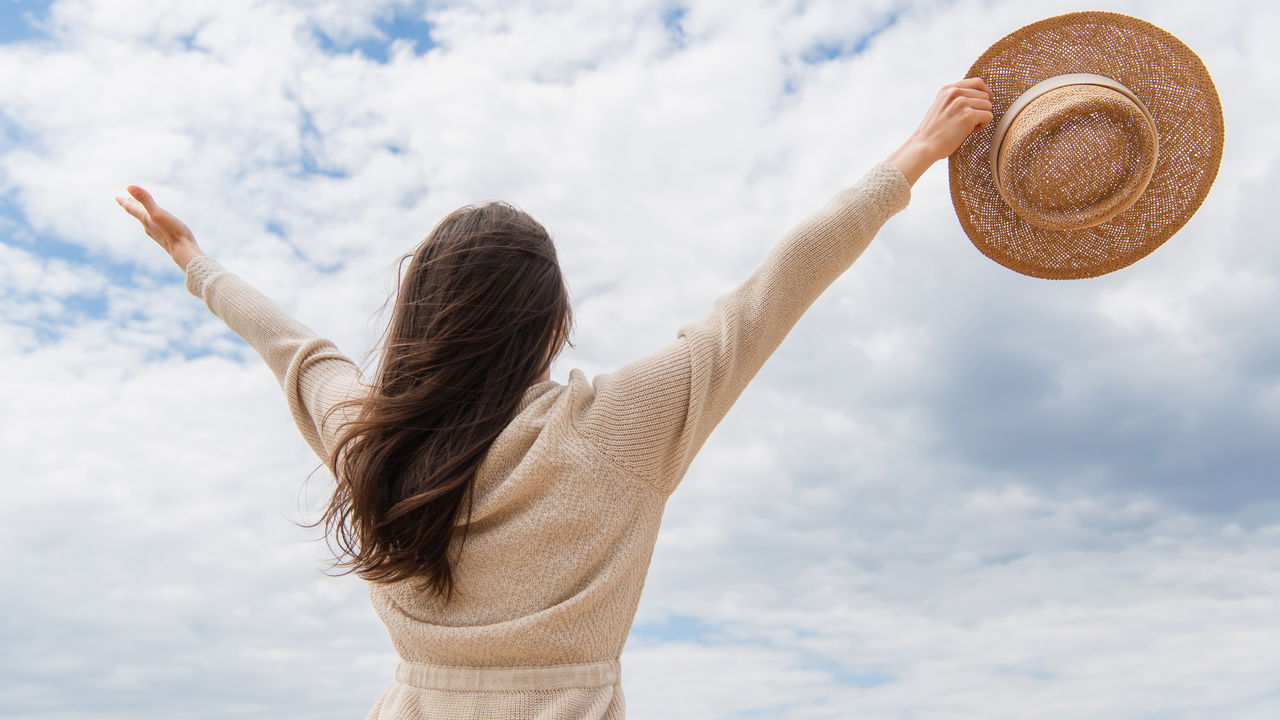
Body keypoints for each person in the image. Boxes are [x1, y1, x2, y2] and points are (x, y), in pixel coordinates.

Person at [116, 78, 993, 720]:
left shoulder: (371, 442)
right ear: (549, 321)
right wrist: (914, 153)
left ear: (423, 318)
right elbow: (776, 286)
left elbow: (296, 349)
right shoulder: (620, 426)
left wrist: (197, 263)